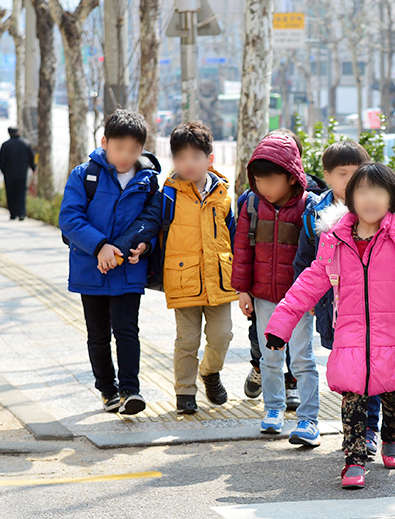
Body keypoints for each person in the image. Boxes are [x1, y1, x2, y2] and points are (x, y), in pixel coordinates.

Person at [265, 163, 395, 489]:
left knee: (393, 395)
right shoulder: (335, 240)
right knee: (351, 397)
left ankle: (392, 439)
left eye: (378, 192)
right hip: (351, 335)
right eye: (362, 192)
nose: (370, 199)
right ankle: (353, 459)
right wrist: (279, 326)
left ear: (392, 197)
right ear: (350, 198)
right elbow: (307, 284)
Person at [293, 139, 395, 457]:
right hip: (343, 316)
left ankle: (378, 433)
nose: (352, 183)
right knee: (355, 380)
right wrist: (296, 309)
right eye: (343, 175)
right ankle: (357, 446)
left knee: (385, 381)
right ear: (328, 176)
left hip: (391, 324)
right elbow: (309, 268)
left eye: (358, 176)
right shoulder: (321, 218)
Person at [114, 121, 237, 415]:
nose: (188, 164)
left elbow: (233, 238)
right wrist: (133, 245)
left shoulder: (223, 196)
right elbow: (149, 225)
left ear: (210, 159)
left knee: (222, 335)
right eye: (181, 157)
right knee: (187, 340)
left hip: (219, 280)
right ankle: (185, 391)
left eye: (195, 157)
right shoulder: (167, 195)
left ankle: (210, 372)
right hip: (183, 279)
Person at [59, 109, 160, 415]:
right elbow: (69, 218)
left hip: (128, 269)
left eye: (133, 150)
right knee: (98, 334)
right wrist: (101, 247)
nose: (125, 156)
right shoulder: (84, 175)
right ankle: (107, 389)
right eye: (119, 148)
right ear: (105, 143)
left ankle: (131, 390)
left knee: (127, 330)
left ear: (142, 149)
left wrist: (144, 246)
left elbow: (152, 221)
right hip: (91, 270)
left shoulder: (149, 181)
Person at [232, 133, 321, 445]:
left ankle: (309, 419)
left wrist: (315, 298)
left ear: (291, 176)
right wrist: (242, 290)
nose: (265, 188)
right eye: (259, 181)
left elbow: (317, 257)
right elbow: (242, 249)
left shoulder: (309, 207)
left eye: (271, 181)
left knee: (302, 359)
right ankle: (273, 410)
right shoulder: (252, 205)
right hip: (263, 297)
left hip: (298, 301)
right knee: (269, 357)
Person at [0, 126, 36, 221]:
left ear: (9, 133)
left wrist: (4, 171)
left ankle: (12, 213)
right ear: (18, 132)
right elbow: (31, 157)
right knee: (21, 192)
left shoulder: (5, 145)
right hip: (22, 173)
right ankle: (21, 213)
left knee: (10, 193)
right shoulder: (26, 143)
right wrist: (33, 168)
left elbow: (1, 160)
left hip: (9, 174)